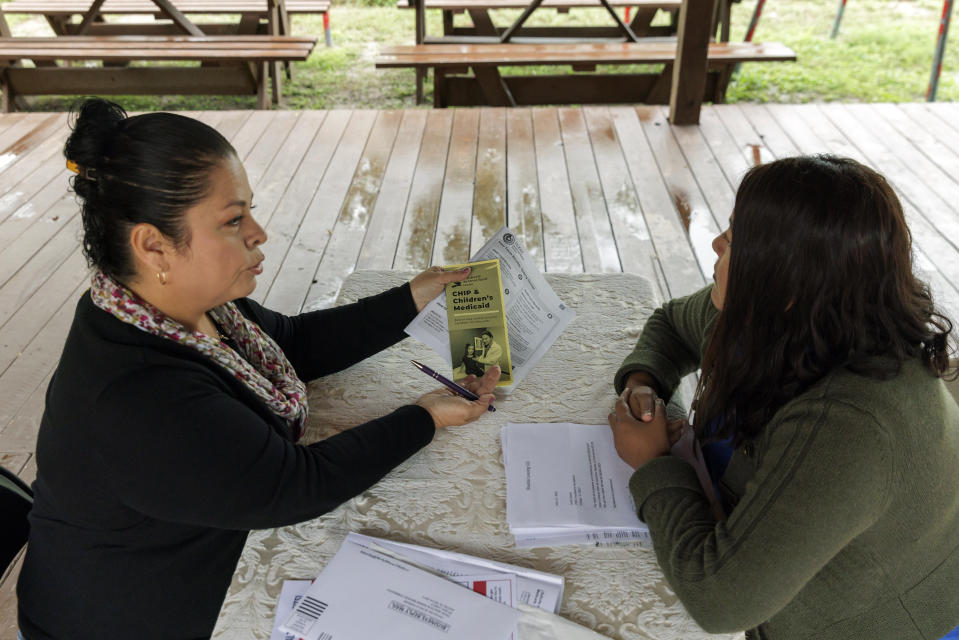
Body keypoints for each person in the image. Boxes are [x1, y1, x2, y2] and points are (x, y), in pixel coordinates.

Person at [16, 98, 500, 640]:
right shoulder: (136, 395)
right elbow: (293, 486)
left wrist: (411, 299)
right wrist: (425, 416)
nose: (259, 233)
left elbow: (291, 344)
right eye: (233, 220)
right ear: (154, 246)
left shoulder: (180, 306)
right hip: (127, 616)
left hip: (182, 556)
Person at [608, 155, 959, 639]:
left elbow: (720, 603)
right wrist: (643, 384)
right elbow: (672, 324)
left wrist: (653, 463)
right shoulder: (788, 320)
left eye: (734, 240)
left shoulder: (850, 427)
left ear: (788, 279)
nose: (716, 244)